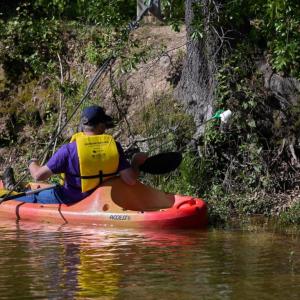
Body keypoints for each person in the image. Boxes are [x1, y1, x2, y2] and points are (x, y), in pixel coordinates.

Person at [4, 105, 147, 204]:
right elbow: (130, 180)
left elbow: (38, 176)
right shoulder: (114, 147)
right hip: (102, 199)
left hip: (70, 199)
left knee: (32, 197)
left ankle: (9, 196)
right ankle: (11, 186)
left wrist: (32, 163)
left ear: (83, 126)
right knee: (43, 188)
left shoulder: (69, 150)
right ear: (102, 126)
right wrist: (135, 162)